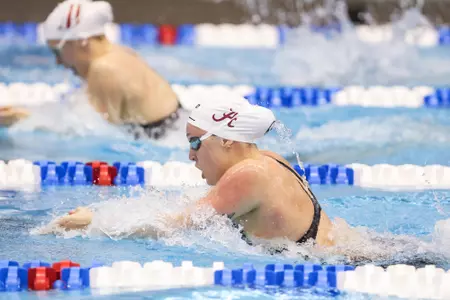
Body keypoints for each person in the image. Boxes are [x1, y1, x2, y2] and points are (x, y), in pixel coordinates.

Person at [53, 92, 335, 248]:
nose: (191, 155)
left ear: (225, 139)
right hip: (349, 251)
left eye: (195, 143)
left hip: (343, 261)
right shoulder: (270, 159)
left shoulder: (247, 175)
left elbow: (170, 226)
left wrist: (98, 221)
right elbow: (194, 210)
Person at [3, 0, 181, 140]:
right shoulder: (117, 52)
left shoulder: (104, 70)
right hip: (175, 126)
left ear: (81, 42)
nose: (58, 61)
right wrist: (30, 113)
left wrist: (26, 120)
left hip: (162, 138)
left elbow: (93, 135)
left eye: (57, 51)